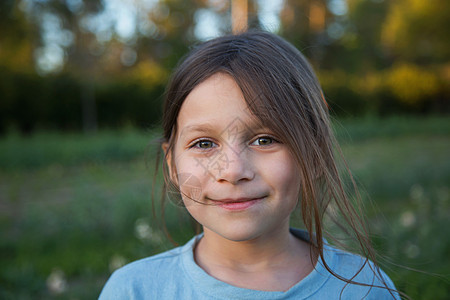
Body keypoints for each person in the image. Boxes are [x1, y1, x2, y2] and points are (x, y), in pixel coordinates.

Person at [99, 31, 400, 299]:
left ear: (314, 154)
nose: (232, 171)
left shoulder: (364, 288)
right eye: (204, 144)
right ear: (173, 166)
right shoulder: (133, 290)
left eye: (265, 139)